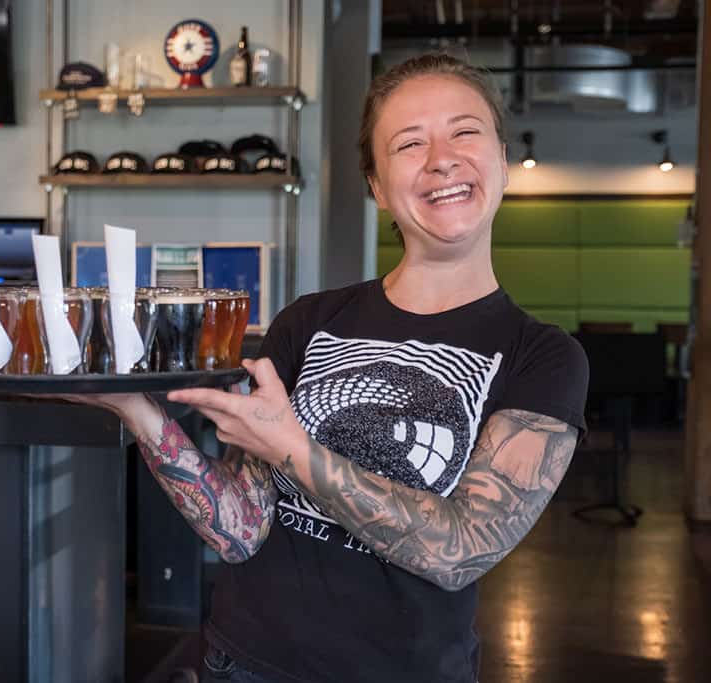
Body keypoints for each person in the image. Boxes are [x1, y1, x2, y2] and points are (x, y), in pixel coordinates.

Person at [79, 53, 590, 682]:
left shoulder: (544, 357)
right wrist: (138, 412)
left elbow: (460, 551)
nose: (442, 159)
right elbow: (239, 530)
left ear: (502, 162)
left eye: (464, 131)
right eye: (409, 143)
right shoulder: (309, 320)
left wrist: (293, 448)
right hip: (243, 663)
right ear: (377, 186)